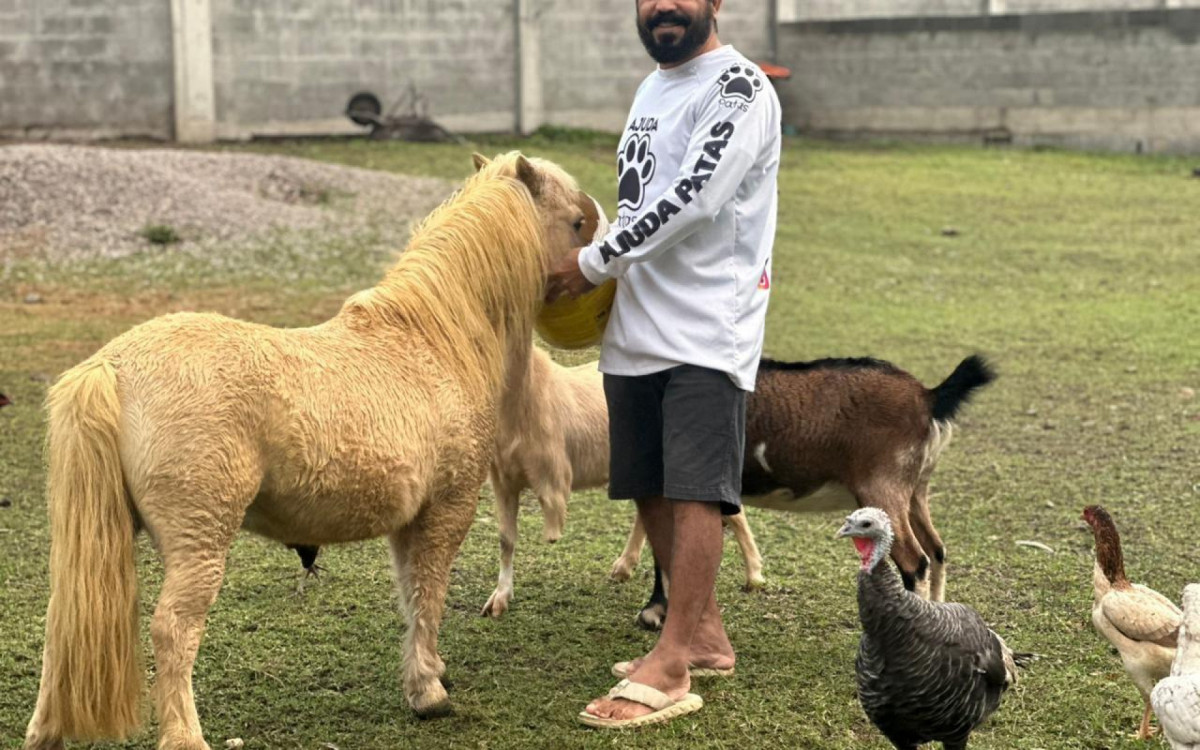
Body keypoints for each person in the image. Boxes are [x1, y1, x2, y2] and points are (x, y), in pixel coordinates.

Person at [545, 0, 781, 729]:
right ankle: (705, 635)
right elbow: (640, 196)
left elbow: (696, 196)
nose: (664, 6)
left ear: (715, 4)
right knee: (647, 482)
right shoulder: (654, 88)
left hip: (708, 326)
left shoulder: (739, 89)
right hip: (638, 324)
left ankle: (672, 663)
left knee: (694, 490)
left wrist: (591, 263)